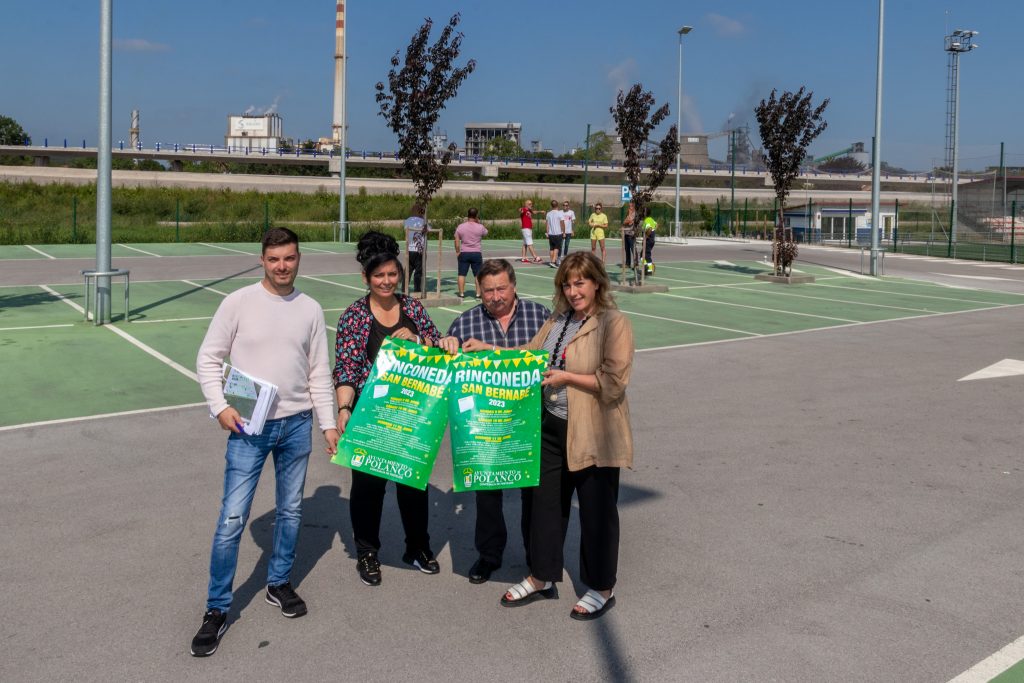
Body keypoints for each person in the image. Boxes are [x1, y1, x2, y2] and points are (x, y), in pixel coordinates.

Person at [191, 227, 340, 657]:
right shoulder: (237, 303)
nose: (282, 266)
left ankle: (278, 583)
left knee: (291, 509)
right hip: (248, 426)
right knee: (233, 518)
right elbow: (208, 357)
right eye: (274, 259)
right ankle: (217, 609)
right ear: (262, 260)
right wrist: (220, 407)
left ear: (299, 259)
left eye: (289, 258)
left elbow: (318, 373)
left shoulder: (310, 309)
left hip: (296, 424)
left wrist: (327, 424)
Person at [498, 251, 634, 621]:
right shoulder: (558, 319)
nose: (573, 291)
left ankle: (602, 586)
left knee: (597, 513)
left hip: (593, 431)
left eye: (580, 282)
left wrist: (566, 377)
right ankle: (541, 576)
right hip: (550, 428)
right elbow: (529, 354)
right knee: (544, 509)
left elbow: (613, 383)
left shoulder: (613, 323)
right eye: (567, 284)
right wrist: (491, 351)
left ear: (597, 283)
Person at [333, 231, 460, 587]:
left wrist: (425, 340)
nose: (387, 281)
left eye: (393, 274)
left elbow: (439, 350)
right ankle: (367, 551)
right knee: (367, 489)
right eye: (379, 276)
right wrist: (344, 407)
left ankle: (417, 547)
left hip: (412, 416)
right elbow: (345, 368)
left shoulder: (414, 309)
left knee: (413, 485)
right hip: (371, 416)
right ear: (366, 278)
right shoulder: (354, 317)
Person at [447, 259, 550, 584]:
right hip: (485, 427)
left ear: (514, 285)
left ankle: (538, 561)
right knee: (486, 494)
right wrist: (443, 346)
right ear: (479, 290)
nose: (494, 296)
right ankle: (489, 555)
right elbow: (449, 373)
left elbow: (548, 359)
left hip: (531, 423)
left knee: (534, 494)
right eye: (488, 290)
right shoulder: (464, 324)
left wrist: (491, 351)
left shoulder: (540, 316)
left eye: (501, 288)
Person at [454, 207, 488, 299]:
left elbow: (457, 241)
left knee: (461, 274)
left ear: (468, 215)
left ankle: (461, 293)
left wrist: (457, 252)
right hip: (476, 253)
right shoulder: (480, 227)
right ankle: (478, 294)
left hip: (464, 252)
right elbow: (486, 233)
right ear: (476, 216)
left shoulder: (461, 226)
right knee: (477, 274)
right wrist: (478, 223)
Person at [404, 203, 428, 293]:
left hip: (409, 248)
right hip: (419, 250)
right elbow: (428, 230)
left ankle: (404, 288)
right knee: (418, 271)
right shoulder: (423, 221)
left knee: (408, 270)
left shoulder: (407, 220)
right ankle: (417, 290)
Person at [518, 199, 543, 264]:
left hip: (527, 229)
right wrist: (521, 209)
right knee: (530, 243)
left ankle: (523, 258)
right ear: (526, 204)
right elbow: (521, 210)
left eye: (531, 204)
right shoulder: (524, 209)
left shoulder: (529, 210)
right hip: (526, 229)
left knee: (525, 244)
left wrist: (541, 211)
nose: (531, 205)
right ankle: (535, 257)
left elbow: (534, 212)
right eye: (529, 204)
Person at [545, 199, 564, 269]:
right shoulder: (560, 213)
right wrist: (563, 232)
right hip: (558, 233)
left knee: (551, 248)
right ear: (557, 205)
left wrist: (547, 233)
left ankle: (552, 261)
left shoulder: (548, 214)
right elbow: (562, 223)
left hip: (551, 234)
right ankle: (553, 261)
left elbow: (547, 224)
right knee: (557, 248)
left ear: (551, 205)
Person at [622, 200, 637, 269]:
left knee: (633, 249)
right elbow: (624, 222)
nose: (629, 207)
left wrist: (627, 221)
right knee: (626, 248)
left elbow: (630, 222)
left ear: (633, 206)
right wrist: (627, 221)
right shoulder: (628, 214)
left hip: (631, 233)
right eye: (629, 206)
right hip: (626, 233)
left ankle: (636, 263)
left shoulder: (635, 214)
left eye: (630, 206)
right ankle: (628, 263)